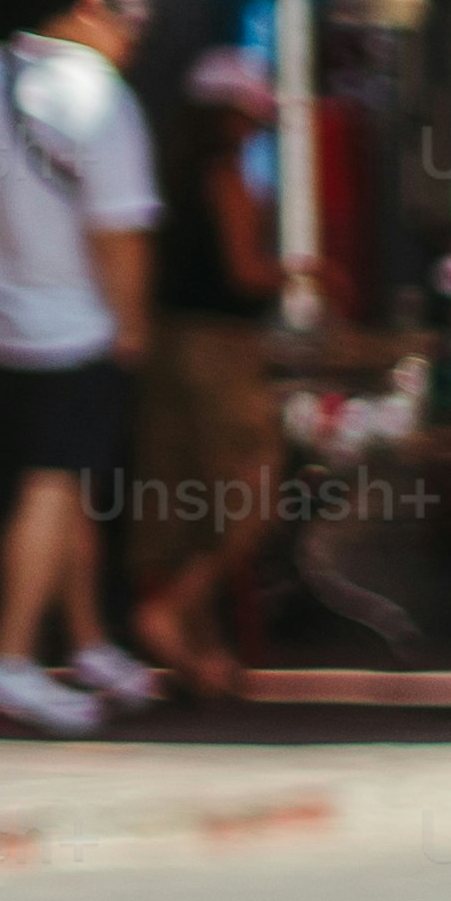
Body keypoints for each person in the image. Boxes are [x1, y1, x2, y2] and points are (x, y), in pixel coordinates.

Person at [0, 0, 165, 733]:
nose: (136, 42)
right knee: (52, 484)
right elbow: (120, 232)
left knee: (66, 485)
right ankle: (9, 658)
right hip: (75, 328)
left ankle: (91, 641)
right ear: (92, 11)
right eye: (132, 24)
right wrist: (131, 323)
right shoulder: (98, 96)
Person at [127, 40, 290, 692]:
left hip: (162, 346)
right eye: (250, 117)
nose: (254, 130)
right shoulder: (224, 177)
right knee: (251, 494)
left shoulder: (157, 174)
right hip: (220, 351)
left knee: (179, 499)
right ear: (228, 117)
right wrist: (301, 269)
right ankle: (168, 611)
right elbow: (246, 274)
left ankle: (200, 653)